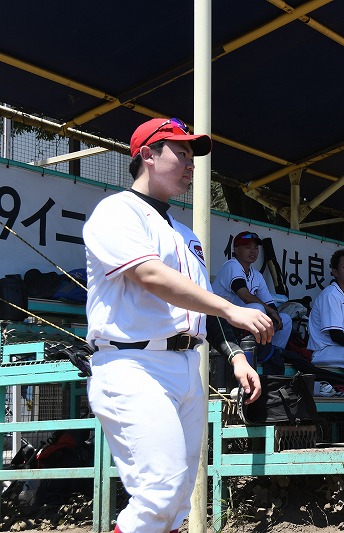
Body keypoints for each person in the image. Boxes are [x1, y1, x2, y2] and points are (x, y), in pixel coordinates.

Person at [83, 117, 274, 533]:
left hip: (187, 366)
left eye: (193, 156)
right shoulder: (117, 210)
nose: (191, 164)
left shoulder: (185, 233)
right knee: (159, 493)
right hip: (134, 364)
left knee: (177, 504)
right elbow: (150, 275)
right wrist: (231, 308)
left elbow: (198, 302)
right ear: (147, 155)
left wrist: (237, 357)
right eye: (182, 153)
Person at [212, 231, 292, 374]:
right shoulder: (231, 265)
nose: (253, 251)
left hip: (242, 324)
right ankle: (251, 351)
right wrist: (270, 311)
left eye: (255, 247)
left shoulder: (257, 275)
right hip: (222, 322)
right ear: (236, 250)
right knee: (257, 309)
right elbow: (244, 295)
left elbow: (269, 303)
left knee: (285, 319)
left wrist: (275, 316)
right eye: (248, 247)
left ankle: (271, 354)